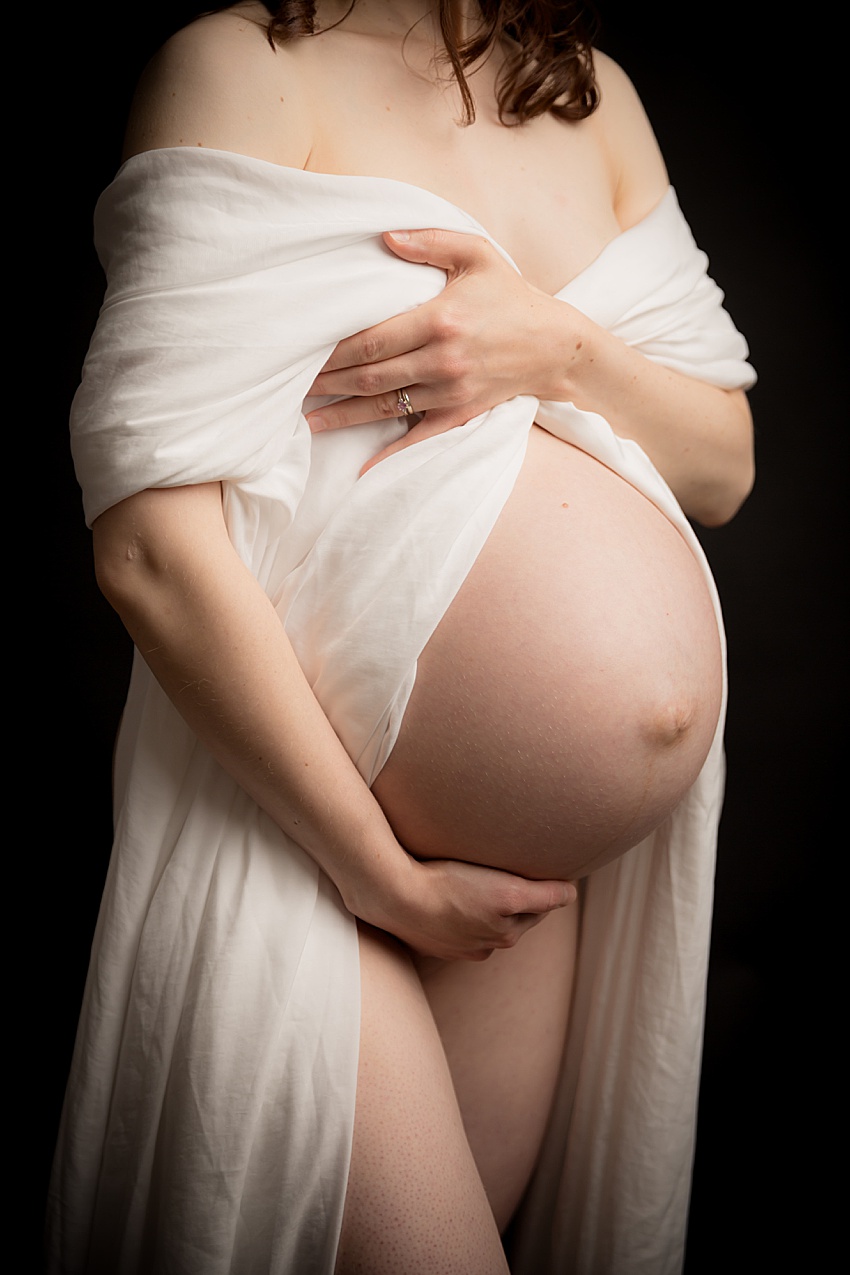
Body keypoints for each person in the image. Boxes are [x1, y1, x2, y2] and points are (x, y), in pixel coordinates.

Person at [47, 2, 756, 1272]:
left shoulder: (590, 96)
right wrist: (383, 879)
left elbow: (721, 467)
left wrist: (561, 349)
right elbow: (149, 545)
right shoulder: (247, 69)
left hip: (520, 885)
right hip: (314, 839)